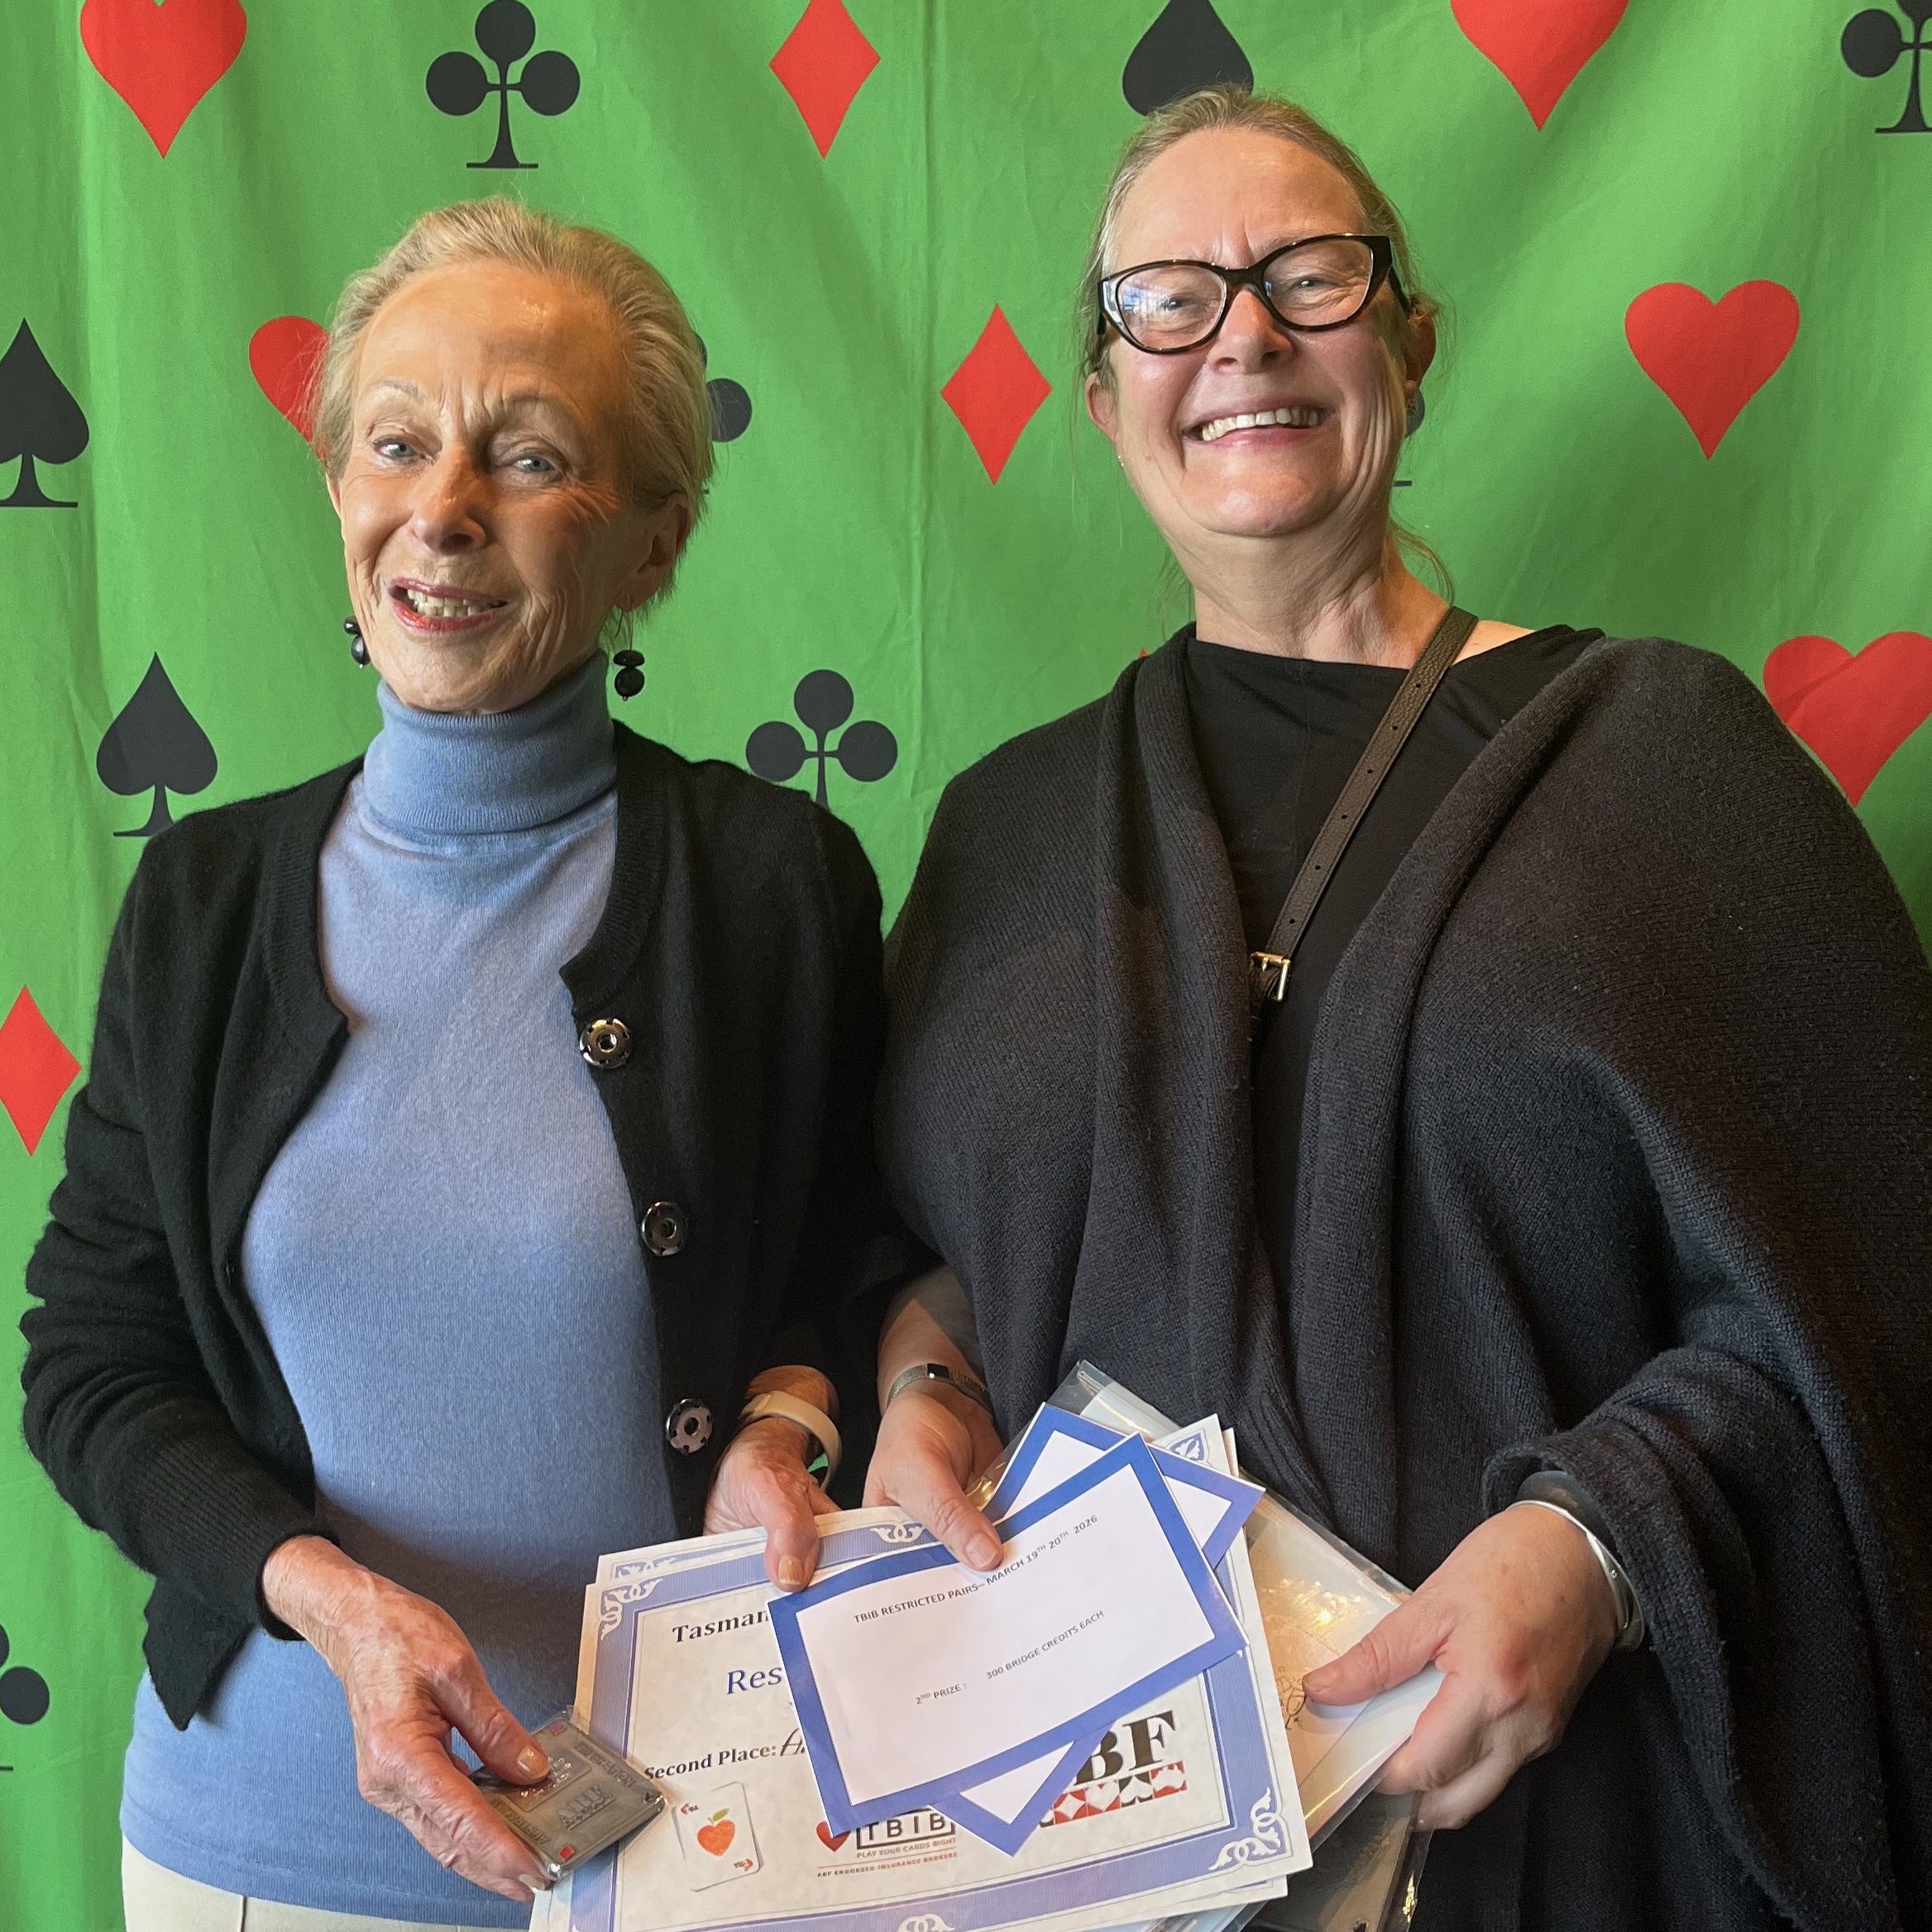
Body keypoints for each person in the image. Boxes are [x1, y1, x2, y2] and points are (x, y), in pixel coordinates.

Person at [849, 88, 1932, 1931]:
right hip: (1091, 1842)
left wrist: (1599, 1540)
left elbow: (1877, 1274)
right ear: (1101, 398)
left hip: (1564, 1838)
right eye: (1167, 300)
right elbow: (927, 1249)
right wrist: (923, 1385)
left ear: (1411, 348)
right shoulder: (1004, 832)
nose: (1243, 336)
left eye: (1309, 276)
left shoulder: (1668, 759)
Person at [21, 201, 907, 1932]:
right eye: (396, 442)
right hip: (256, 1860)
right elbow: (93, 1361)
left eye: (531, 456)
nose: (442, 507)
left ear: (652, 542)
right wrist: (328, 1600)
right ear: (340, 488)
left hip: (704, 1852)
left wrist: (787, 1424)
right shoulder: (203, 904)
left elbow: (855, 1269)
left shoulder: (772, 885)